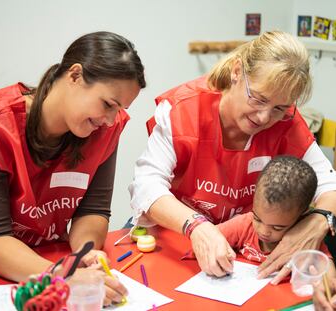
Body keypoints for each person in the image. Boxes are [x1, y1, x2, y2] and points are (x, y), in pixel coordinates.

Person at [0, 31, 145, 305]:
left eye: (119, 108)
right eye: (108, 104)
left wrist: (85, 253)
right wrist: (60, 277)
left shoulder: (103, 127)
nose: (112, 120)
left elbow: (93, 210)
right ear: (75, 76)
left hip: (36, 248)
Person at [129, 30, 336, 284]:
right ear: (237, 72)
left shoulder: (287, 122)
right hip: (179, 236)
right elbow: (146, 186)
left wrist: (317, 221)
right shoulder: (183, 109)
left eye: (279, 109)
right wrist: (197, 227)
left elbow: (328, 183)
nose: (264, 118)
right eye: (258, 99)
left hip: (244, 248)